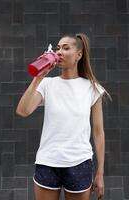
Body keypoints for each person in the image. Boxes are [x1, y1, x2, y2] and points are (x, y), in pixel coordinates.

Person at [16, 33, 109, 200]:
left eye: (66, 48)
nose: (59, 52)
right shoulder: (47, 84)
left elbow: (98, 132)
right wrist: (39, 76)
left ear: (78, 55)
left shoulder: (92, 88)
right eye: (58, 48)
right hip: (47, 162)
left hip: (79, 163)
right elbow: (23, 111)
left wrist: (100, 173)